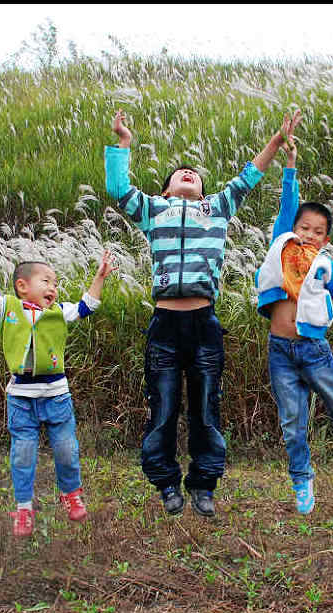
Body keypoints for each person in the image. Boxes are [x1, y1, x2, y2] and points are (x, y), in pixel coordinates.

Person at [105, 109, 298, 517]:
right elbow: (118, 187)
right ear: (167, 189)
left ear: (205, 190)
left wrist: (276, 143)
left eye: (194, 172)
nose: (188, 173)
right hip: (164, 326)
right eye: (180, 173)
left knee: (207, 407)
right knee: (163, 406)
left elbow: (249, 176)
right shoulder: (153, 210)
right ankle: (166, 484)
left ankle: (204, 485)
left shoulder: (217, 209)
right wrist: (123, 143)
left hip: (204, 324)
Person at [256, 119, 333, 514]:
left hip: (314, 349)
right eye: (303, 228)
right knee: (292, 421)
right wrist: (290, 165)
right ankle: (302, 479)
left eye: (317, 231)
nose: (308, 234)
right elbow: (287, 204)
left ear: (326, 239)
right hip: (280, 351)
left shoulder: (326, 266)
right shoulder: (282, 245)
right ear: (292, 230)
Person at [0, 220, 118, 536]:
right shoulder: (6, 309)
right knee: (23, 454)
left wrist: (99, 277)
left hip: (56, 395)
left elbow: (88, 306)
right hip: (21, 398)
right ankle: (23, 509)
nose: (53, 287)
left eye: (56, 283)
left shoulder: (58, 311)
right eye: (46, 281)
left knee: (66, 449)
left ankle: (71, 494)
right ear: (22, 286)